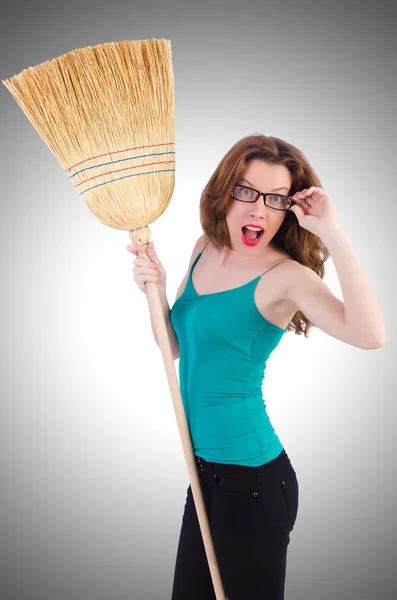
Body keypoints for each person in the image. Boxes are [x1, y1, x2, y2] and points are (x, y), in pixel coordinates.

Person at [126, 133, 386, 599]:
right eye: (246, 191)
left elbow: (371, 336)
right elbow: (177, 348)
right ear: (224, 190)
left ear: (288, 208)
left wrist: (334, 233)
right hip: (204, 473)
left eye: (275, 199)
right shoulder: (205, 246)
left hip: (253, 484)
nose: (258, 211)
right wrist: (158, 288)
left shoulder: (287, 277)